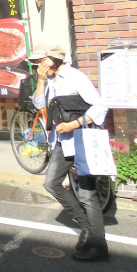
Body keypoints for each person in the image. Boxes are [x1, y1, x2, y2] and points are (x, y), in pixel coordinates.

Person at [30, 43, 109, 262]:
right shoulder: (49, 80)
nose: (36, 65)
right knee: (51, 183)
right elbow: (38, 104)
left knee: (86, 194)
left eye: (39, 61)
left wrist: (73, 124)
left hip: (81, 140)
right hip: (61, 142)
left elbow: (100, 106)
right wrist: (41, 80)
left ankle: (98, 246)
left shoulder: (75, 77)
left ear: (51, 60)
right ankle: (86, 226)